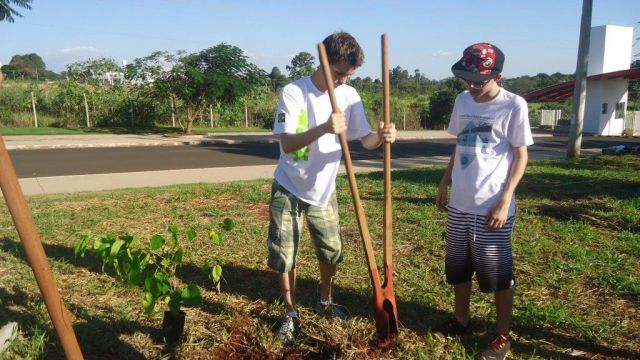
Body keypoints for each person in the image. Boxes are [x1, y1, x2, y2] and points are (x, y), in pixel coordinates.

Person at [267, 31, 397, 344]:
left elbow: (365, 141)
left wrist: (381, 135)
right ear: (324, 61)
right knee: (285, 252)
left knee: (331, 249)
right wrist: (325, 127)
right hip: (289, 184)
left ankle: (325, 300)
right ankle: (290, 312)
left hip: (324, 187)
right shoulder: (295, 92)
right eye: (338, 73)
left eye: (348, 75)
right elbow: (287, 143)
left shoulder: (350, 96)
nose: (342, 81)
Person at [435, 43, 533, 360]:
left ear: (498, 76)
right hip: (460, 204)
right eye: (468, 79)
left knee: (498, 275)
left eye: (479, 81)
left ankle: (502, 336)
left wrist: (505, 200)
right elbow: (460, 145)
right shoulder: (462, 100)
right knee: (458, 269)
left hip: (492, 207)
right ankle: (461, 318)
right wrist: (444, 181)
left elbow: (521, 155)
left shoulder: (514, 106)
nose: (472, 87)